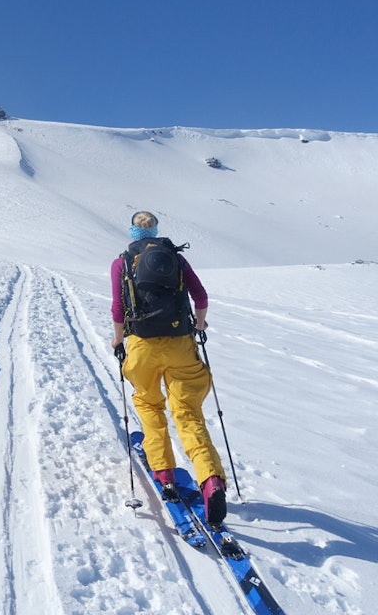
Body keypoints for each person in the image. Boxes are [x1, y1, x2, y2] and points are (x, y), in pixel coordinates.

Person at [110, 210, 228, 525]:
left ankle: (163, 473)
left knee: (149, 404)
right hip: (181, 344)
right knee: (188, 413)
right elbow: (200, 297)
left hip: (142, 346)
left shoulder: (122, 263)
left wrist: (117, 340)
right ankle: (211, 478)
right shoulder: (175, 258)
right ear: (157, 230)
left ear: (133, 232)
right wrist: (199, 326)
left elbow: (118, 307)